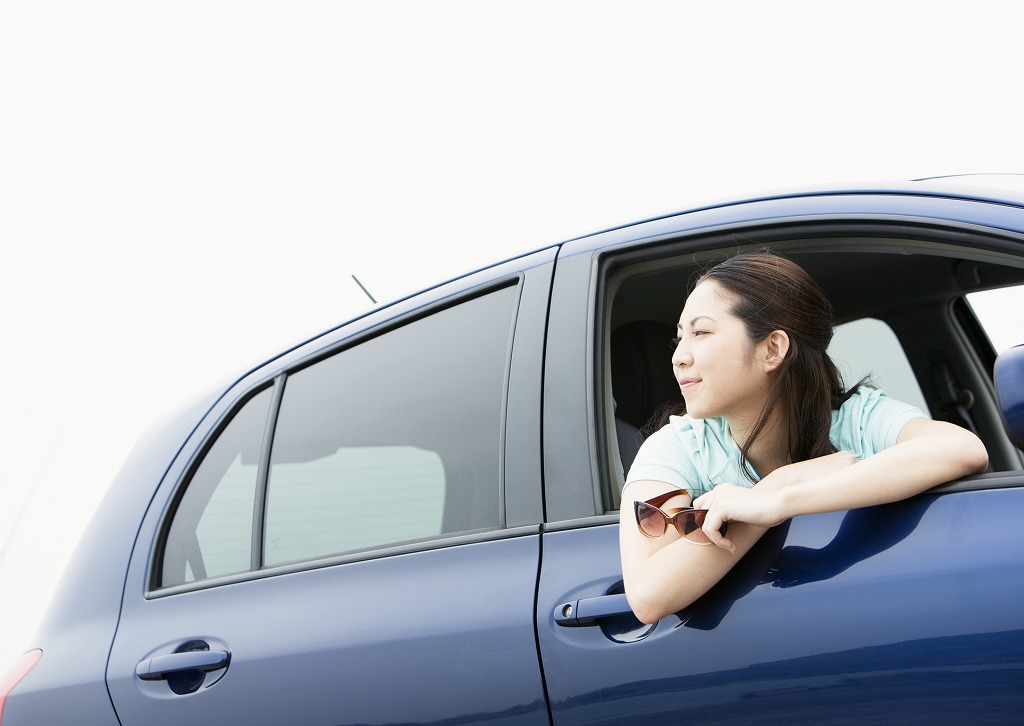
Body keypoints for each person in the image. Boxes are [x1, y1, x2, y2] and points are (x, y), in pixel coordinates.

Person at [619, 251, 988, 625]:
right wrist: (768, 496)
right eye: (679, 338)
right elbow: (648, 596)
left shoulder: (857, 419)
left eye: (701, 332)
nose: (679, 357)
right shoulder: (678, 447)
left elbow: (963, 448)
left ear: (772, 349)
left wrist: (782, 498)